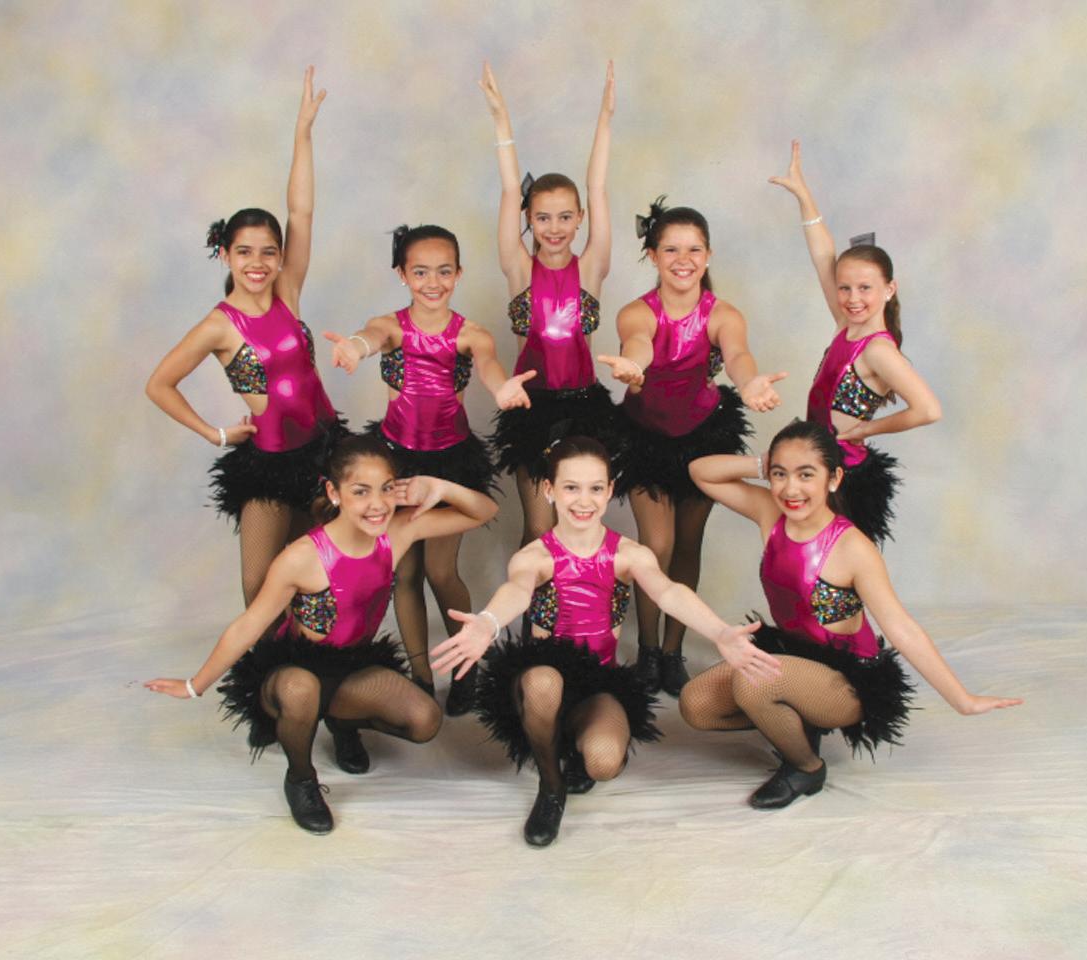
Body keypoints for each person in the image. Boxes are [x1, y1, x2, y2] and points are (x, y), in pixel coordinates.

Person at [430, 436, 782, 846]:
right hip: (542, 680)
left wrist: (720, 631)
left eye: (595, 488)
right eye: (571, 488)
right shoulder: (534, 557)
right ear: (549, 490)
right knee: (543, 682)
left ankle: (576, 740)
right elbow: (518, 591)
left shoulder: (629, 554)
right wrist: (489, 621)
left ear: (611, 489)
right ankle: (551, 785)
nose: (584, 501)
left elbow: (668, 592)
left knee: (604, 762)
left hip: (597, 683)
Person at [145, 435, 499, 834]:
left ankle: (342, 720)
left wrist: (440, 487)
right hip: (294, 671)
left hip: (352, 667)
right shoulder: (301, 557)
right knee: (300, 690)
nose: (377, 504)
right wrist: (194, 685)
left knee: (425, 720)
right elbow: (249, 625)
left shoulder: (397, 532)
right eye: (360, 491)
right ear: (334, 493)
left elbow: (484, 512)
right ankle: (301, 778)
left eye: (386, 489)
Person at [683, 420, 1022, 809]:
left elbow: (902, 628)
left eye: (805, 475)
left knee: (752, 683)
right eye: (780, 475)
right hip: (793, 657)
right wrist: (763, 463)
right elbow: (701, 472)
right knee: (696, 705)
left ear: (833, 478)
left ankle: (805, 767)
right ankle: (792, 717)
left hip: (847, 679)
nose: (791, 489)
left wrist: (962, 699)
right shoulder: (769, 513)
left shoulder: (852, 548)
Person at [146, 67, 347, 607]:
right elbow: (159, 384)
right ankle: (266, 662)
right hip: (269, 459)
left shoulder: (288, 293)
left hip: (323, 450)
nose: (257, 263)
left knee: (317, 574)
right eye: (244, 252)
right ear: (225, 255)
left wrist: (303, 132)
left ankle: (315, 656)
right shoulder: (218, 324)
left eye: (267, 252)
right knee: (261, 585)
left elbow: (301, 211)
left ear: (280, 257)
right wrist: (214, 433)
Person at [324, 224, 532, 716]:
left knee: (440, 570)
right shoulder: (391, 326)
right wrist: (354, 346)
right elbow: (371, 338)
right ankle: (420, 674)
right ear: (402, 274)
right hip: (395, 460)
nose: (432, 282)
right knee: (404, 573)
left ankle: (465, 666)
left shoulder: (470, 334)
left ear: (458, 273)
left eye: (443, 271)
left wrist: (501, 388)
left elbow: (488, 364)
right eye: (420, 272)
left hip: (448, 462)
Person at [598, 198, 786, 697]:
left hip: (703, 436)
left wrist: (748, 382)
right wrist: (633, 364)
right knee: (655, 547)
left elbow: (738, 354)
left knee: (686, 545)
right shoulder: (637, 311)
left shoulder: (722, 314)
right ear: (653, 256)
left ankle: (673, 651)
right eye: (671, 250)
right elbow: (639, 341)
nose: (683, 260)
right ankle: (648, 649)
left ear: (708, 255)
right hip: (645, 438)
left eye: (694, 250)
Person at [768, 140, 941, 545]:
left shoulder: (878, 350)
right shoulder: (845, 325)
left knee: (836, 566)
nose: (852, 297)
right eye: (844, 287)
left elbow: (928, 409)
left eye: (865, 288)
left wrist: (868, 428)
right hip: (816, 466)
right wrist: (804, 196)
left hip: (843, 474)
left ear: (889, 289)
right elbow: (823, 255)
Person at [478, 61, 620, 545]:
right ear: (530, 221)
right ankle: (533, 598)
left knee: (579, 526)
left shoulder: (591, 268)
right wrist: (501, 120)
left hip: (585, 408)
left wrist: (605, 119)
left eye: (564, 217)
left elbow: (597, 186)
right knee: (541, 528)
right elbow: (507, 189)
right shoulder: (519, 269)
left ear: (580, 218)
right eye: (542, 218)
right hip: (532, 407)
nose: (554, 228)